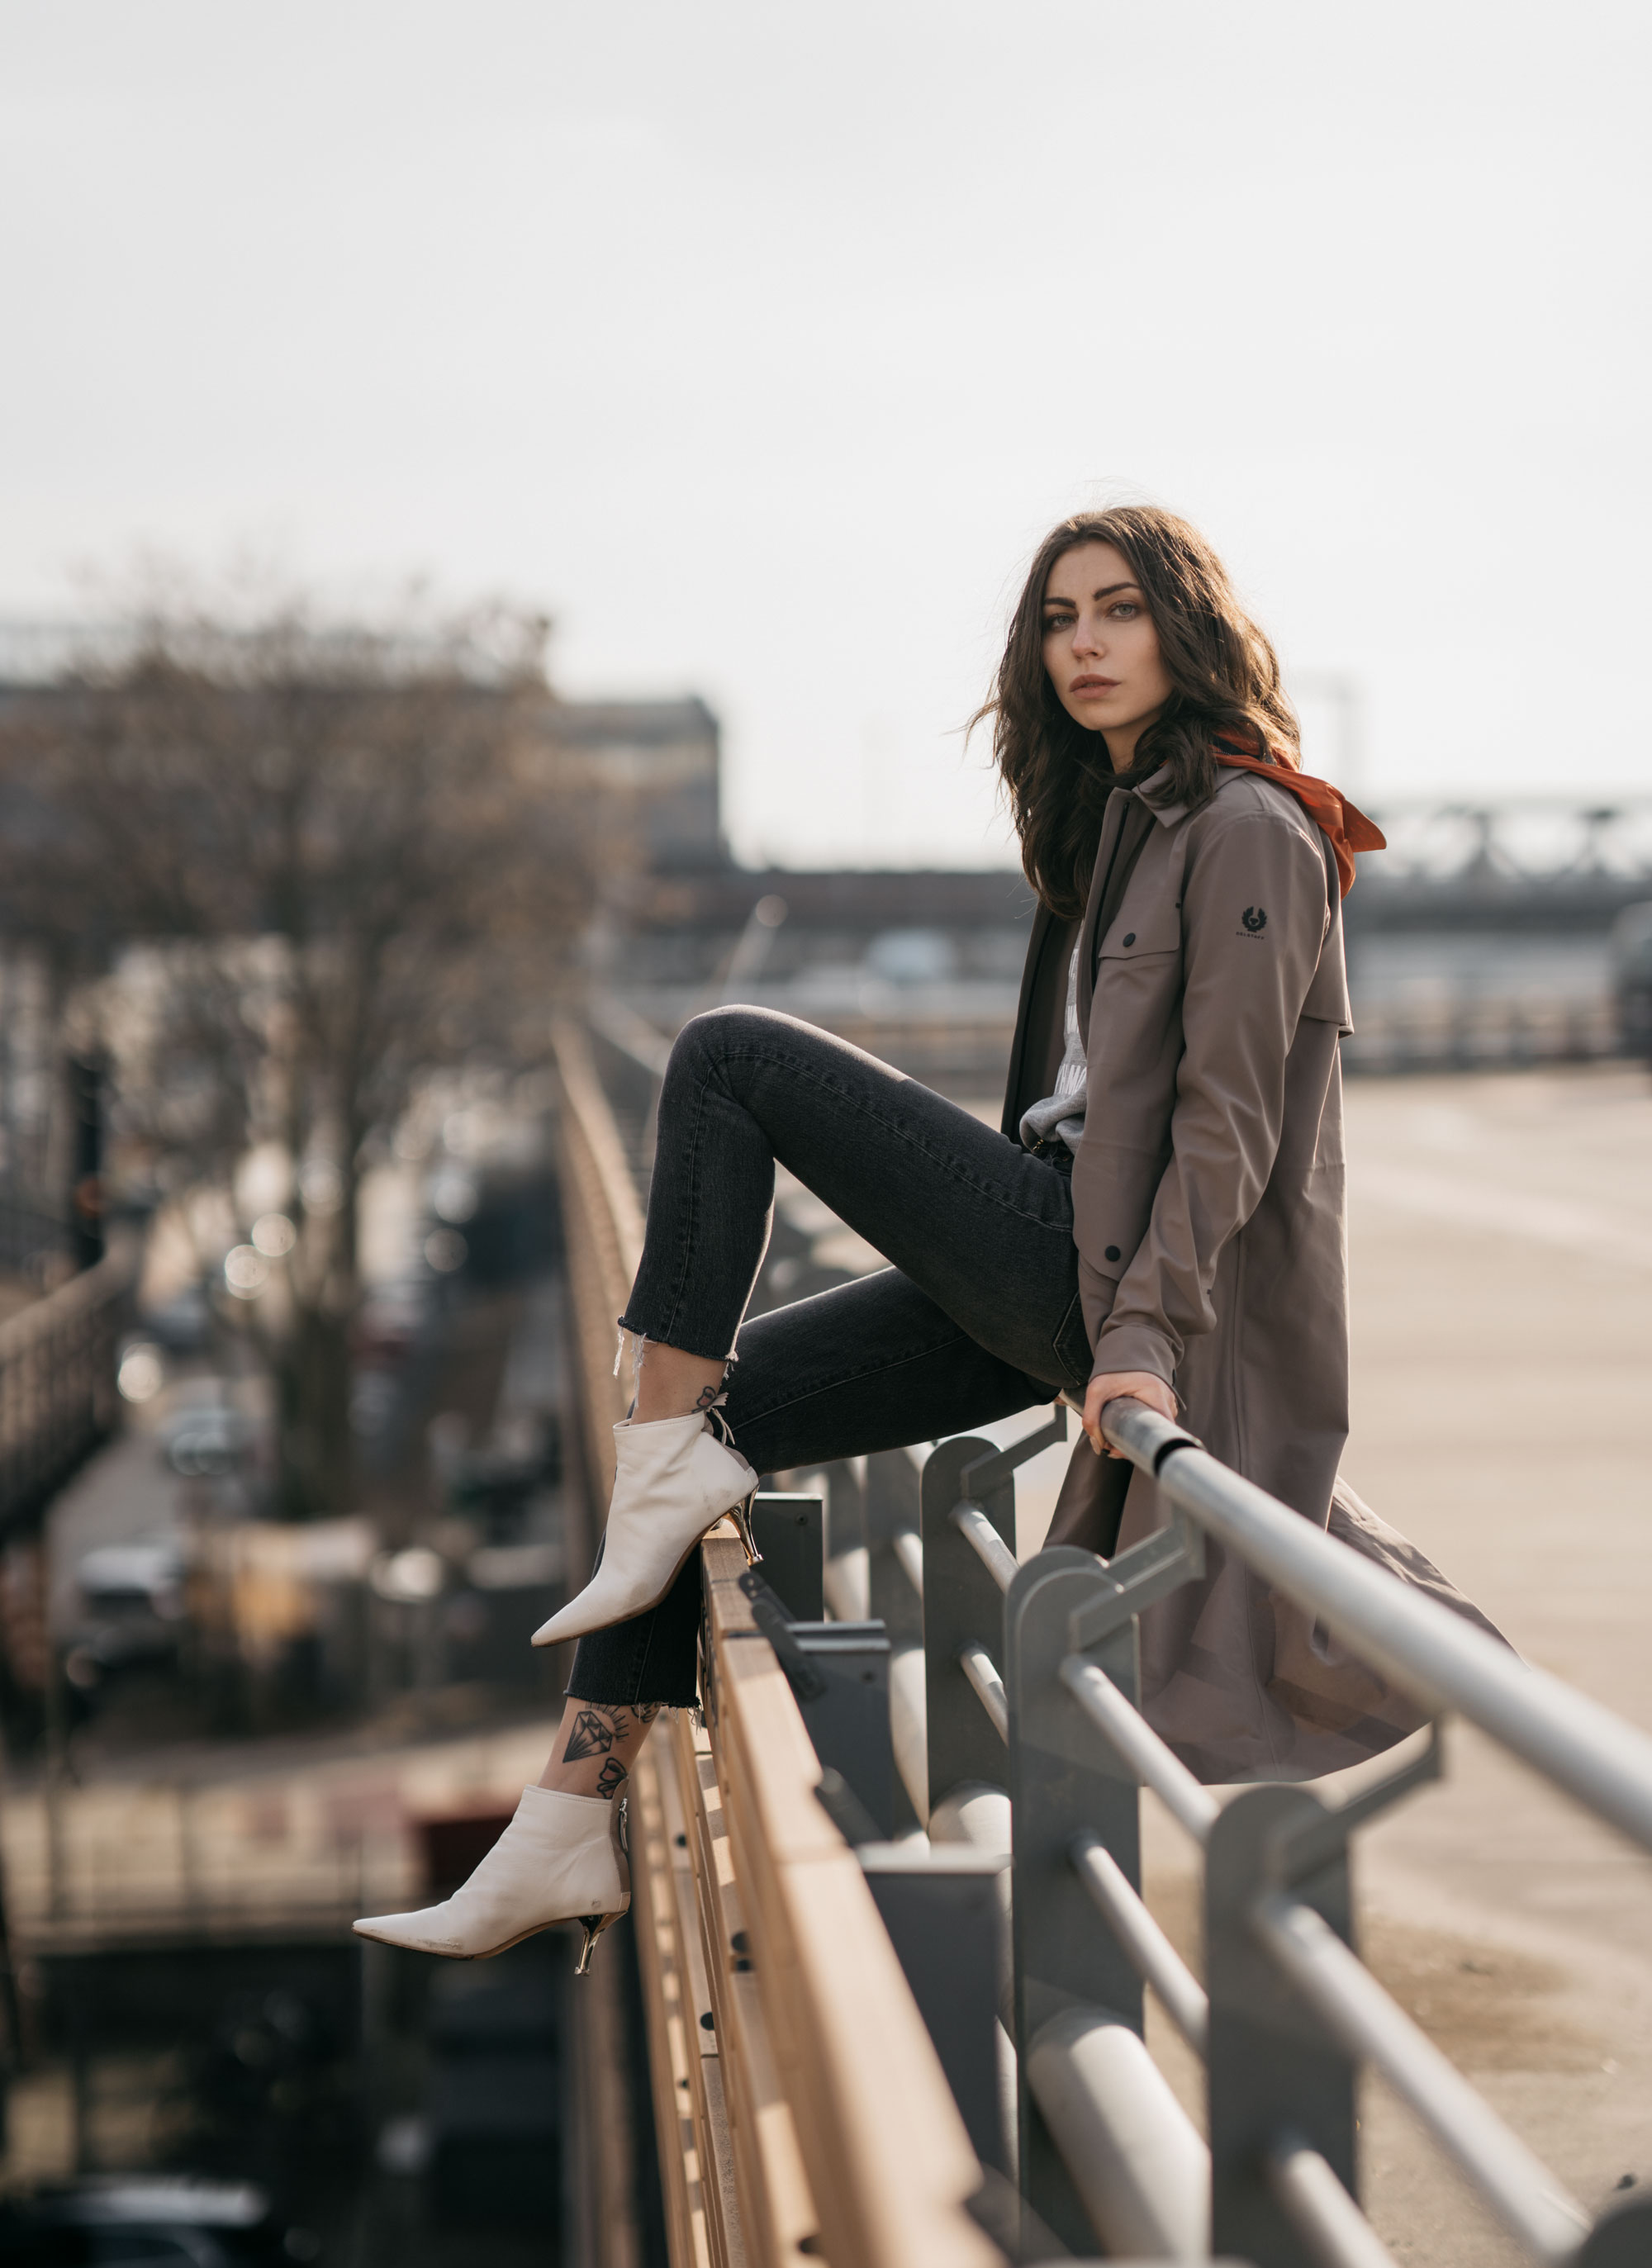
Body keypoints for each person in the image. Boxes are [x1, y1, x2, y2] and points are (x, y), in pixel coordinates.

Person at [354, 505, 1475, 1967]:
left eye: (1119, 610)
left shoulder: (1254, 828)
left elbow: (1230, 1130)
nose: (1085, 643)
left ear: (1188, 628)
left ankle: (651, 1465)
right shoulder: (1108, 836)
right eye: (1060, 618)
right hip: (1047, 1260)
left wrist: (1136, 1346)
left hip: (1092, 1278)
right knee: (714, 1422)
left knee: (726, 1056)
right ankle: (566, 1819)